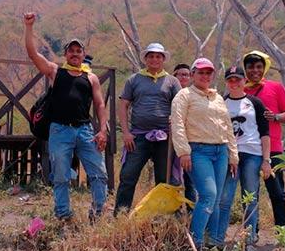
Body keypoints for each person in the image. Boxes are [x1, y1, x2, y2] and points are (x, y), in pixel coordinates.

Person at [23, 12, 109, 221]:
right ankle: (63, 214)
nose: (75, 54)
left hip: (85, 130)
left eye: (78, 51)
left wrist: (103, 130)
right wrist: (29, 27)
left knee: (99, 173)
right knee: (61, 176)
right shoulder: (55, 72)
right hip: (60, 130)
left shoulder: (91, 78)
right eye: (71, 51)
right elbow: (33, 54)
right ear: (65, 54)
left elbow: (99, 104)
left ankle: (98, 213)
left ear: (83, 54)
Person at [170, 57, 239, 251]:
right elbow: (177, 124)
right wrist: (183, 152)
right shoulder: (184, 96)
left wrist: (233, 156)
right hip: (198, 151)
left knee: (215, 200)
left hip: (221, 151)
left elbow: (228, 128)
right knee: (208, 195)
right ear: (192, 75)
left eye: (208, 72)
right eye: (200, 72)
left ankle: (214, 243)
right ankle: (195, 242)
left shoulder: (217, 98)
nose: (205, 76)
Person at [211, 66, 271, 251]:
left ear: (244, 81)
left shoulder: (255, 103)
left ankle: (249, 243)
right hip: (229, 156)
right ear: (226, 82)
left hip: (252, 154)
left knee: (250, 199)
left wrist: (266, 160)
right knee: (224, 199)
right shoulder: (220, 103)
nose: (234, 83)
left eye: (238, 79)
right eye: (230, 80)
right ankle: (218, 240)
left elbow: (265, 133)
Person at [114, 43, 181, 214]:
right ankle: (121, 215)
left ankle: (163, 216)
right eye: (151, 56)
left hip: (165, 137)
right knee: (128, 175)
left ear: (163, 59)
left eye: (158, 56)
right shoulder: (134, 80)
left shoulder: (172, 82)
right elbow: (123, 106)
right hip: (138, 137)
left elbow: (180, 107)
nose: (154, 59)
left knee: (164, 179)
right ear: (145, 59)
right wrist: (126, 133)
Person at [243, 51, 285, 232]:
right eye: (250, 67)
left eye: (258, 67)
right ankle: (251, 233)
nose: (254, 71)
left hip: (273, 148)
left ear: (264, 68)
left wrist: (276, 117)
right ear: (245, 69)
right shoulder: (241, 89)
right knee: (250, 193)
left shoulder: (276, 87)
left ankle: (283, 232)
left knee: (277, 192)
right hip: (247, 148)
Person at [173, 63, 196, 204]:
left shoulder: (193, 95)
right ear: (174, 76)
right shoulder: (169, 92)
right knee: (173, 177)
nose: (183, 77)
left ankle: (190, 211)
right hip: (171, 141)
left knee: (190, 179)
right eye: (180, 74)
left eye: (186, 74)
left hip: (191, 141)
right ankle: (173, 210)